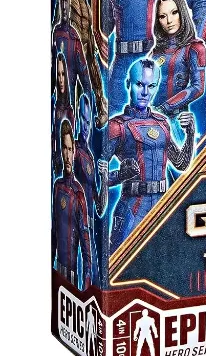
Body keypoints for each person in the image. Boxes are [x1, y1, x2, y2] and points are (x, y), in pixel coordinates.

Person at [105, 59, 196, 250]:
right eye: (140, 84)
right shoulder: (117, 126)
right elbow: (96, 180)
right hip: (133, 207)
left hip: (162, 205)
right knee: (122, 260)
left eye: (151, 86)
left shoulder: (162, 123)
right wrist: (121, 175)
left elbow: (180, 164)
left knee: (164, 259)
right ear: (128, 84)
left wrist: (190, 134)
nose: (145, 92)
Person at [67, 0, 108, 126]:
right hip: (72, 56)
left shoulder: (83, 0)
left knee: (96, 83)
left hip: (88, 51)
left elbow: (89, 29)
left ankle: (100, 110)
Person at [149, 0, 206, 117]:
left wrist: (165, 107)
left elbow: (198, 87)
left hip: (177, 118)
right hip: (150, 117)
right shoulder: (155, 51)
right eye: (162, 16)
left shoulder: (195, 47)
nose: (169, 20)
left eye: (174, 12)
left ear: (182, 12)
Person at [73, 93, 108, 286]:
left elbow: (100, 207)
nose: (86, 125)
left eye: (88, 120)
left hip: (89, 224)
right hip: (75, 223)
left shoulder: (90, 156)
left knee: (92, 274)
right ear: (78, 118)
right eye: (83, 119)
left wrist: (104, 177)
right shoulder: (74, 151)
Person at [52, 121, 92, 290]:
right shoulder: (57, 186)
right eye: (64, 149)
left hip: (71, 279)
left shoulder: (78, 194)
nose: (67, 155)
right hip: (57, 274)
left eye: (70, 149)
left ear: (74, 151)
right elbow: (54, 232)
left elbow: (86, 246)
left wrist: (87, 286)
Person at [52, 52, 74, 174]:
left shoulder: (70, 112)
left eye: (63, 74)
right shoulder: (55, 108)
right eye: (58, 74)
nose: (61, 80)